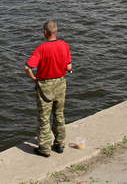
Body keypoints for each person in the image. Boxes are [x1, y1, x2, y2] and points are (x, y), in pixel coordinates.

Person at [24, 21, 72, 157]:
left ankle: (44, 149)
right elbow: (69, 67)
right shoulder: (64, 45)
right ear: (55, 31)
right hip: (60, 84)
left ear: (45, 32)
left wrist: (33, 77)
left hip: (45, 85)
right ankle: (59, 144)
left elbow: (27, 67)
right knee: (59, 115)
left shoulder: (40, 48)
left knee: (44, 117)